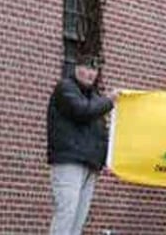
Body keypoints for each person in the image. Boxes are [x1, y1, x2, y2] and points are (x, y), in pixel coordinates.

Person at [47, 58, 117, 235]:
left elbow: (100, 132)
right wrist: (109, 101)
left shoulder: (94, 98)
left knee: (78, 219)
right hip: (69, 161)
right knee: (66, 215)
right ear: (76, 68)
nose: (91, 73)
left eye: (94, 70)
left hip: (90, 165)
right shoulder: (65, 88)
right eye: (87, 68)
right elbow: (82, 111)